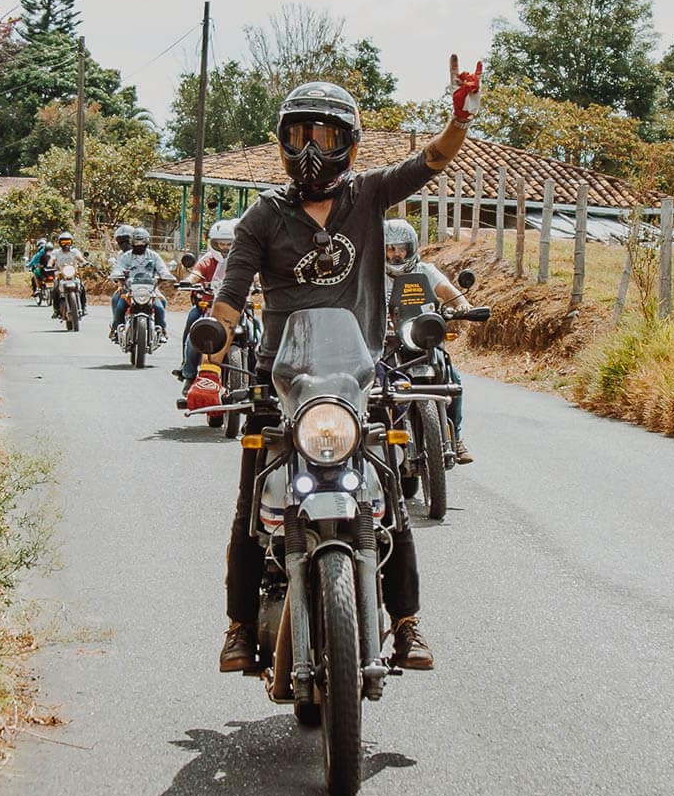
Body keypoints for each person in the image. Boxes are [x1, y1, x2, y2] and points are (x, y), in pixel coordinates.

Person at [188, 55, 484, 673]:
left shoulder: (369, 194)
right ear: (282, 140)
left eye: (325, 136)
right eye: (299, 135)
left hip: (359, 378)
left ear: (349, 143)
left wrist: (460, 119)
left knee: (388, 502)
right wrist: (211, 366)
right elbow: (230, 298)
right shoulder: (262, 217)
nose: (311, 150)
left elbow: (431, 160)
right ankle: (239, 627)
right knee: (252, 509)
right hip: (280, 383)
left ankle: (407, 624)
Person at [384, 218, 473, 464]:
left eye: (402, 248)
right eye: (390, 248)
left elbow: (447, 290)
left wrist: (461, 304)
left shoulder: (425, 270)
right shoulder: (372, 276)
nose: (396, 254)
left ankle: (455, 437)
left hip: (424, 339)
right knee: (376, 385)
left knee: (452, 377)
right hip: (387, 342)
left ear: (411, 248)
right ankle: (378, 441)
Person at [175, 218, 238, 392]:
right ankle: (188, 374)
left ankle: (262, 377)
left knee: (259, 333)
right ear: (213, 243)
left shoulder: (241, 259)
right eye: (221, 243)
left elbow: (255, 274)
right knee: (193, 333)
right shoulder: (208, 259)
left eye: (229, 244)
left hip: (237, 308)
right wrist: (189, 281)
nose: (225, 247)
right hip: (208, 306)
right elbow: (196, 273)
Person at [108, 227, 174, 338]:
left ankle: (161, 329)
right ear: (132, 242)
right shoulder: (126, 256)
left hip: (150, 290)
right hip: (130, 290)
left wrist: (166, 275)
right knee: (119, 307)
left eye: (142, 242)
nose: (139, 245)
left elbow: (162, 269)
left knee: (160, 307)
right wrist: (117, 274)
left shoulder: (154, 256)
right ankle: (117, 329)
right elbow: (119, 268)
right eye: (136, 242)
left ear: (147, 242)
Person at [46, 231, 87, 318]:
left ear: (71, 242)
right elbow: (52, 259)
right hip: (60, 275)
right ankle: (56, 310)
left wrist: (84, 262)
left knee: (82, 287)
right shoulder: (56, 252)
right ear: (60, 243)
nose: (66, 244)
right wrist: (49, 265)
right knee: (55, 289)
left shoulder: (74, 251)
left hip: (73, 275)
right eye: (63, 242)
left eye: (67, 242)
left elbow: (80, 258)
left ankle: (84, 307)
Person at [107, 224, 135, 339]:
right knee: (115, 299)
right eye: (121, 242)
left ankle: (160, 328)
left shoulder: (144, 253)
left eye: (127, 241)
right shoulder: (120, 255)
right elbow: (117, 269)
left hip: (145, 287)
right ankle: (116, 326)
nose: (124, 245)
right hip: (127, 287)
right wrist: (119, 283)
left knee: (161, 301)